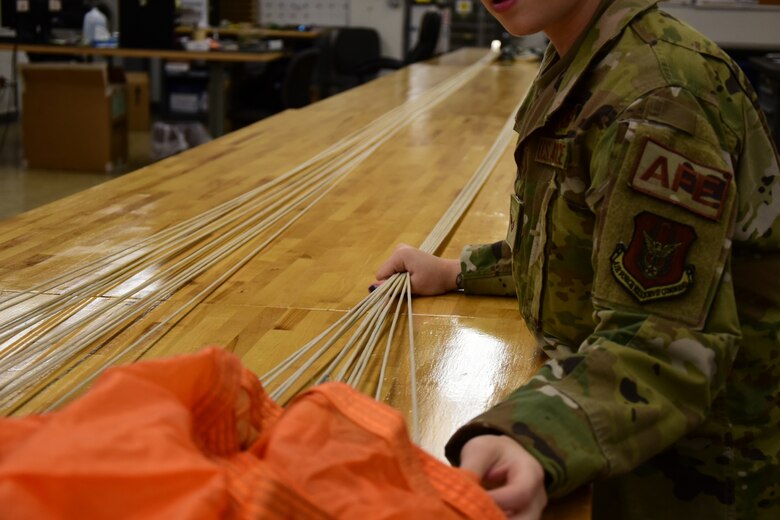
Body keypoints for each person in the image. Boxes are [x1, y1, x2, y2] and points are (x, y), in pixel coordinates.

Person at [374, 0, 780, 518]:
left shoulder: (659, 95)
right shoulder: (585, 53)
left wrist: (534, 434)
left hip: (691, 473)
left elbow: (664, 339)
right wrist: (460, 271)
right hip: (624, 429)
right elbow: (584, 243)